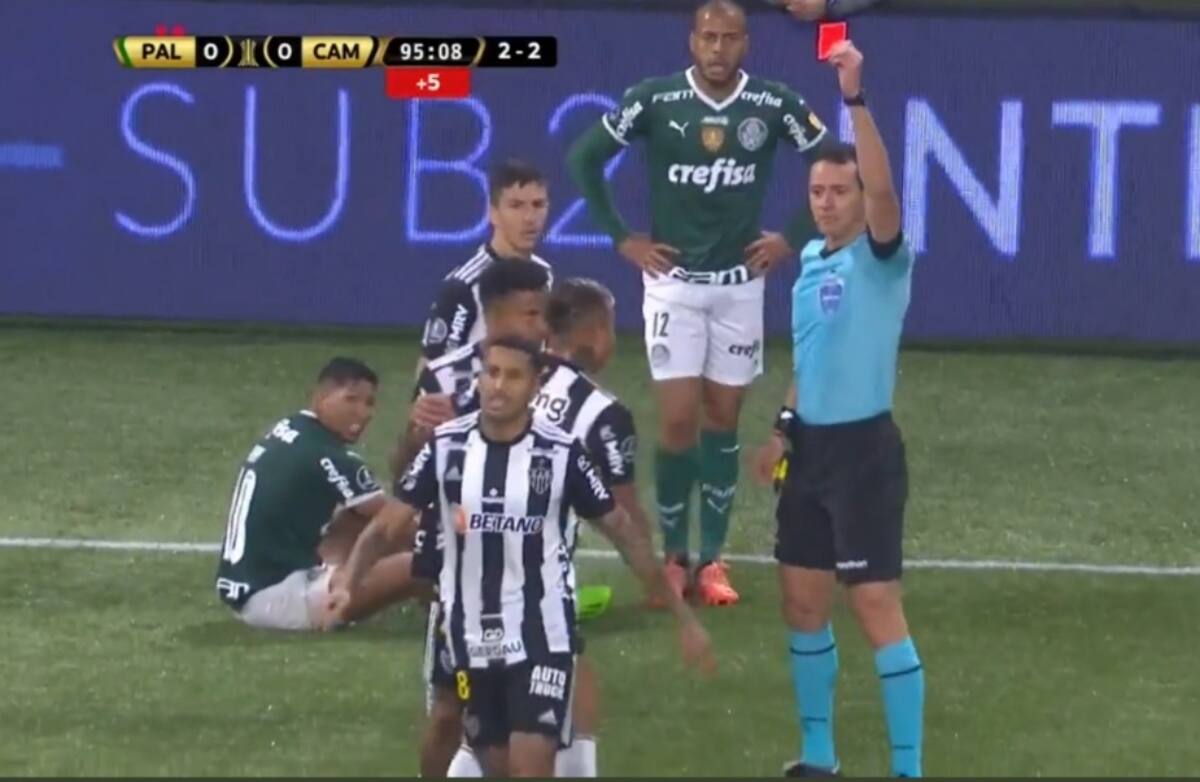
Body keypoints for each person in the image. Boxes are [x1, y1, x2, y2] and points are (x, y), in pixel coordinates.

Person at [332, 337, 715, 778]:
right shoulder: (446, 446)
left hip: (541, 633)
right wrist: (349, 583)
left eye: (513, 376)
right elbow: (386, 527)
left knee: (530, 765)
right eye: (491, 373)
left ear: (535, 386)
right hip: (470, 636)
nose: (498, 385)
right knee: (493, 762)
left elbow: (623, 533)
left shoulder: (562, 454)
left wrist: (683, 617)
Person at [566, 0, 829, 606]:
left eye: (729, 38)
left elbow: (831, 160)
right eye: (708, 37)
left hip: (739, 285)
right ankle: (674, 555)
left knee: (722, 419)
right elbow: (583, 157)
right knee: (679, 419)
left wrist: (791, 236)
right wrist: (622, 237)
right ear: (692, 42)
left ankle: (711, 558)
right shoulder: (656, 99)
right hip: (673, 284)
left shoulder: (772, 103)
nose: (717, 48)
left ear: (746, 44)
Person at [751, 40, 924, 777]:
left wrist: (855, 99)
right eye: (817, 192)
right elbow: (810, 363)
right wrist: (782, 429)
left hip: (863, 455)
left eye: (839, 191)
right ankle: (818, 757)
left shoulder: (881, 257)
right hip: (810, 453)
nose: (826, 202)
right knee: (801, 602)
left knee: (875, 604)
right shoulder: (811, 265)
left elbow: (886, 196)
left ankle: (908, 769)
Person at [214, 358, 418, 631]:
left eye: (369, 403)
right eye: (351, 399)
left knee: (358, 517)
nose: (363, 412)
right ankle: (448, 611)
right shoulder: (329, 455)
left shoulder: (291, 427)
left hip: (247, 587)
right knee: (420, 563)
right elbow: (397, 519)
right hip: (276, 598)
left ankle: (334, 575)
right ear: (321, 397)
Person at [417, 159, 553, 373]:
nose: (529, 218)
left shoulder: (544, 274)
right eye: (516, 206)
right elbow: (432, 371)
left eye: (538, 205)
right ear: (493, 213)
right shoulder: (463, 287)